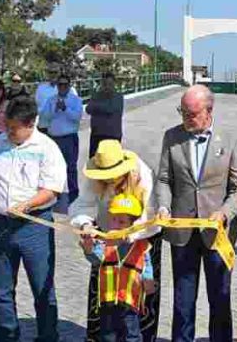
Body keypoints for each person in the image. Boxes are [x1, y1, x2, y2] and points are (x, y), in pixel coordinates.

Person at [0, 93, 67, 342]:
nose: (9, 133)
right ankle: (7, 334)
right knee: (1, 289)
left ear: (31, 124)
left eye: (14, 129)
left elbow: (52, 189)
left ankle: (46, 336)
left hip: (35, 227)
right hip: (1, 226)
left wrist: (27, 205)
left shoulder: (47, 149)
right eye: (6, 127)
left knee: (42, 288)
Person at [153, 84, 237, 342]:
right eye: (182, 112)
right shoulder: (171, 137)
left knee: (220, 298)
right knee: (183, 300)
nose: (185, 118)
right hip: (182, 230)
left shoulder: (231, 140)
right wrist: (163, 206)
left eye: (191, 114)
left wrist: (225, 213)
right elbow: (163, 179)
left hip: (218, 232)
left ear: (209, 111)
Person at [70, 140, 162, 342]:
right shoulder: (95, 172)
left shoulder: (142, 173)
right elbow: (83, 205)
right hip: (107, 237)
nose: (108, 180)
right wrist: (85, 224)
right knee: (104, 295)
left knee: (139, 297)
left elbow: (151, 214)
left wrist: (131, 233)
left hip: (140, 237)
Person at [80, 193, 157, 342]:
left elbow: (147, 265)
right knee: (107, 336)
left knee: (131, 336)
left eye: (121, 221)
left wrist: (148, 280)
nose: (115, 224)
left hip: (130, 303)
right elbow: (96, 260)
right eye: (113, 219)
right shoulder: (105, 242)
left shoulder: (141, 245)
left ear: (132, 225)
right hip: (107, 301)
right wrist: (88, 249)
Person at [38, 75, 85, 212]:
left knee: (70, 167)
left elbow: (77, 118)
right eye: (60, 85)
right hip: (54, 138)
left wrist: (65, 109)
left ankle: (74, 195)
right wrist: (54, 109)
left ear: (69, 86)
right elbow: (44, 118)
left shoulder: (75, 100)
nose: (62, 87)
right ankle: (53, 195)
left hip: (69, 138)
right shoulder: (51, 100)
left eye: (65, 85)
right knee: (52, 168)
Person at [86, 72, 124, 157]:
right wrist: (101, 106)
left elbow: (111, 109)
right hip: (96, 135)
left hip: (113, 136)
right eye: (105, 84)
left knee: (111, 162)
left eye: (110, 84)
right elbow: (88, 109)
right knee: (94, 162)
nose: (107, 86)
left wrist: (96, 106)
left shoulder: (118, 97)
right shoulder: (96, 95)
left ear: (114, 84)